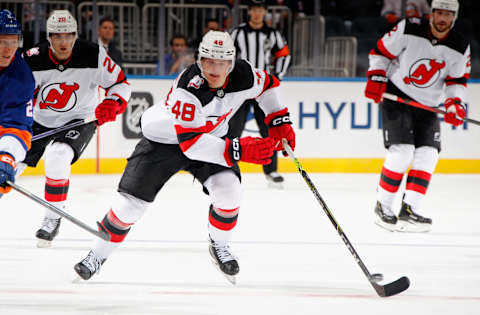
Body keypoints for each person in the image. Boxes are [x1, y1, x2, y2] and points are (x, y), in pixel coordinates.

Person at [73, 31, 296, 283]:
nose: (213, 68)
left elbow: (268, 86)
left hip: (210, 139)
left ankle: (219, 245)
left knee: (229, 191)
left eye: (221, 62)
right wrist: (240, 149)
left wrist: (278, 119)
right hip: (164, 142)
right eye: (208, 61)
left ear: (231, 63)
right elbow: (191, 145)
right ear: (199, 60)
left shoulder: (244, 75)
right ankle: (96, 255)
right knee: (130, 206)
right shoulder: (188, 87)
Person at [20, 10, 131, 247]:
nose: (63, 42)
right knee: (10, 164)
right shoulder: (32, 58)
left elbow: (120, 84)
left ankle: (52, 218)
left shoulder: (93, 55)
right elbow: (18, 95)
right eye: (57, 36)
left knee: (58, 156)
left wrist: (112, 102)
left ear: (76, 35)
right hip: (40, 120)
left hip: (79, 119)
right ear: (49, 37)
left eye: (68, 36)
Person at [365, 0, 470, 232]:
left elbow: (457, 81)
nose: (443, 18)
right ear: (431, 13)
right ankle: (383, 205)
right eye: (439, 13)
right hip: (397, 96)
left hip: (429, 105)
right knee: (402, 152)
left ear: (454, 18)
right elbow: (380, 53)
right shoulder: (409, 27)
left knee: (429, 154)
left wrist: (454, 104)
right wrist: (376, 76)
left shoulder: (460, 45)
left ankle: (410, 210)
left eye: (448, 14)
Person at [229, 0, 291, 188]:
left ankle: (271, 170)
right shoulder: (237, 32)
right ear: (250, 12)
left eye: (260, 10)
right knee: (233, 129)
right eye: (254, 10)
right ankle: (229, 167)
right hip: (240, 88)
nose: (257, 13)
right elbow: (226, 54)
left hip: (262, 88)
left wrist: (276, 76)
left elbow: (284, 54)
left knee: (268, 130)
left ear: (265, 12)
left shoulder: (273, 34)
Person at [0, 10, 35, 199]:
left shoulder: (21, 77)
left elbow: (17, 128)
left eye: (13, 42)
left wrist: (6, 155)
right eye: (3, 42)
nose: (9, 49)